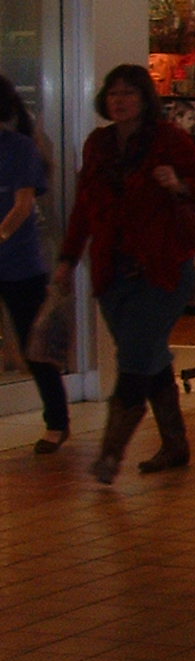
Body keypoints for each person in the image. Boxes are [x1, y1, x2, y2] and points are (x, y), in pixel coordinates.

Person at [55, 64, 195, 483]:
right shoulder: (98, 144)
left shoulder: (168, 139)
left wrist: (178, 183)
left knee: (135, 358)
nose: (120, 100)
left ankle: (110, 454)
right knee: (147, 354)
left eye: (128, 92)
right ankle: (175, 443)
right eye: (113, 93)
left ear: (145, 98)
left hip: (163, 267)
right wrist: (68, 257)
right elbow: (85, 206)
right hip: (113, 272)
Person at [0, 75, 68, 453]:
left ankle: (56, 422)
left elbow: (23, 205)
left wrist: (1, 237)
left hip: (19, 263)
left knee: (34, 345)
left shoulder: (20, 148)